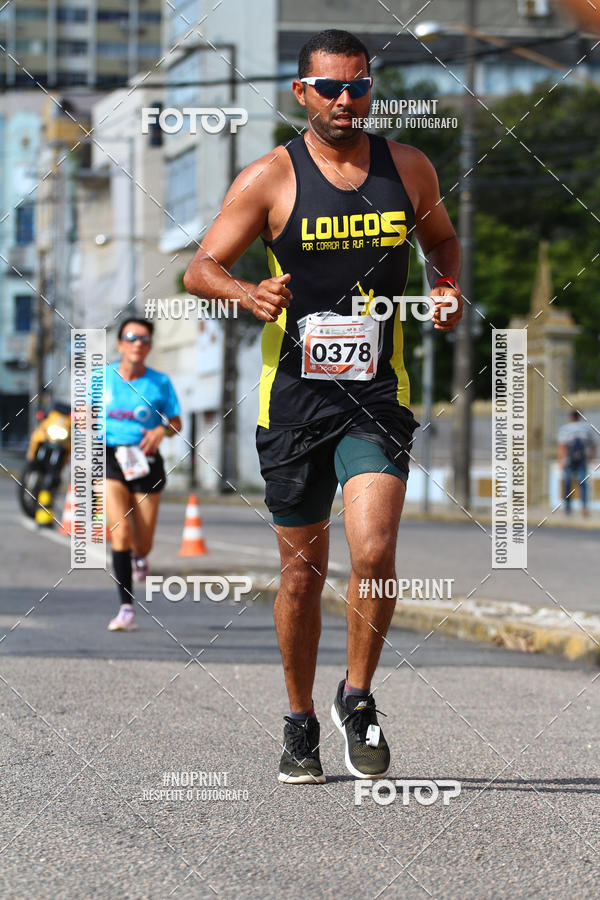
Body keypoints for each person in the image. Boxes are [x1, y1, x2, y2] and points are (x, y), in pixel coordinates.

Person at [183, 29, 462, 782]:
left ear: (371, 88)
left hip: (376, 393)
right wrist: (246, 291)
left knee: (374, 548)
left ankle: (358, 696)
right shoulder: (270, 177)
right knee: (302, 575)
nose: (346, 101)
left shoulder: (408, 168)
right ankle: (299, 719)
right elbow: (200, 268)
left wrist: (444, 288)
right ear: (301, 92)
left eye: (358, 87)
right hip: (294, 401)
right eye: (331, 88)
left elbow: (442, 242)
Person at [98, 318, 181, 631]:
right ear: (120, 344)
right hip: (110, 459)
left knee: (142, 544)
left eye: (144, 339)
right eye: (132, 337)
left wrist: (162, 430)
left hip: (146, 462)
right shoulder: (101, 378)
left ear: (150, 347)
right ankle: (126, 609)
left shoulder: (159, 383)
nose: (138, 344)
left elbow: (176, 423)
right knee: (120, 533)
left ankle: (140, 556)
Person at [558, 410, 596, 516]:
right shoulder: (586, 428)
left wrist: (562, 461)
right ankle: (584, 507)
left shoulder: (565, 428)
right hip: (582, 460)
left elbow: (562, 446)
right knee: (583, 483)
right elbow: (593, 445)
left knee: (568, 484)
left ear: (570, 417)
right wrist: (591, 457)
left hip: (569, 460)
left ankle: (567, 508)